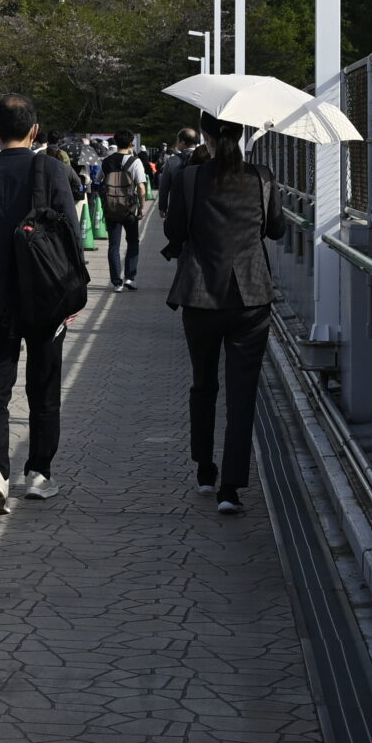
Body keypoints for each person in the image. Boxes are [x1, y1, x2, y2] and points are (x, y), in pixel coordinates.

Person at [0, 93, 82, 515]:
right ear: (34, 130)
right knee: (44, 388)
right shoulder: (53, 170)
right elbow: (71, 236)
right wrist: (72, 290)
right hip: (45, 297)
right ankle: (39, 475)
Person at [160, 115, 288, 510]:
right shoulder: (262, 177)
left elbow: (173, 233)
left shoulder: (191, 178)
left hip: (200, 294)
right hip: (250, 297)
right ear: (243, 134)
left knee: (203, 384)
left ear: (207, 137)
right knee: (242, 393)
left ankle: (204, 468)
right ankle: (231, 489)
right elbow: (277, 230)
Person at [98, 131, 151, 293]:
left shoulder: (106, 161)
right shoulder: (135, 162)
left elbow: (99, 180)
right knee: (133, 242)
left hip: (111, 207)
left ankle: (116, 282)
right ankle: (130, 277)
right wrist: (142, 208)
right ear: (131, 144)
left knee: (113, 245)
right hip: (129, 208)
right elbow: (141, 188)